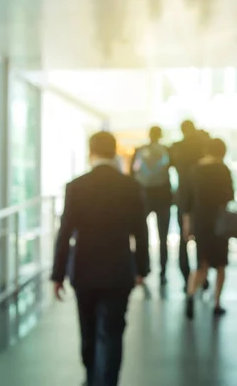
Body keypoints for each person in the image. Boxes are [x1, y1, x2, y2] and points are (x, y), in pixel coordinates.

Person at [51, 131, 149, 386]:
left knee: (88, 328)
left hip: (84, 268)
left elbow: (65, 232)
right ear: (114, 151)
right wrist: (142, 268)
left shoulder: (77, 186)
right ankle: (108, 381)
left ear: (90, 152)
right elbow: (140, 230)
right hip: (119, 268)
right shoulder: (130, 186)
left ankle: (91, 376)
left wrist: (57, 274)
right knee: (113, 331)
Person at [182, 138, 234, 319]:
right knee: (220, 265)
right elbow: (230, 195)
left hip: (200, 221)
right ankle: (217, 303)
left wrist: (187, 224)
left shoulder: (194, 170)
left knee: (201, 264)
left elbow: (187, 201)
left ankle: (190, 294)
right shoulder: (223, 170)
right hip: (219, 222)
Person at [130, 126, 172, 284]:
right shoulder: (166, 150)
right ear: (160, 135)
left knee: (142, 235)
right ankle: (163, 271)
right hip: (163, 197)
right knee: (163, 237)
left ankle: (143, 269)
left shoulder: (140, 150)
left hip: (143, 196)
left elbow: (133, 173)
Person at [170, 119, 206, 290]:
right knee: (202, 239)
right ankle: (201, 275)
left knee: (184, 239)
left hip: (183, 196)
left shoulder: (176, 147)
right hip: (201, 196)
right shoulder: (202, 144)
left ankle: (186, 278)